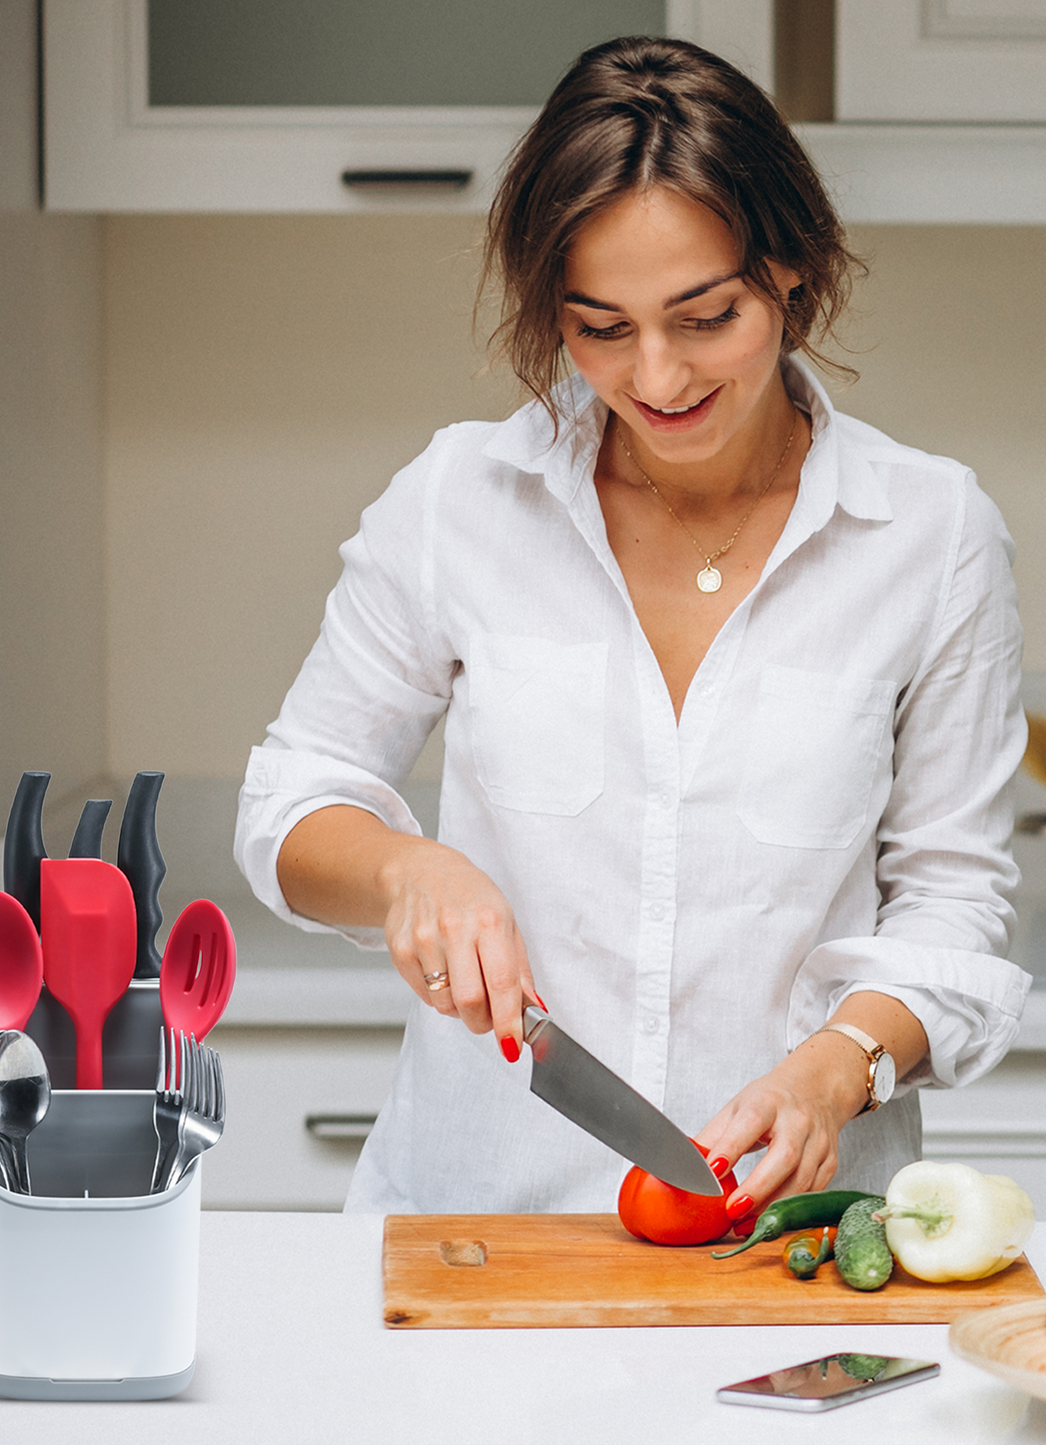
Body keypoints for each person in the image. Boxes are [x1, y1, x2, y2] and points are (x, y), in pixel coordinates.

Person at [234, 36, 1030, 1219]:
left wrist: (837, 1067)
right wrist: (407, 867)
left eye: (702, 316)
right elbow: (290, 797)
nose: (654, 376)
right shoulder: (461, 499)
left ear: (792, 274)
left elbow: (952, 899)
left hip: (789, 1243)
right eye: (599, 326)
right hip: (478, 1230)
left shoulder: (929, 533)